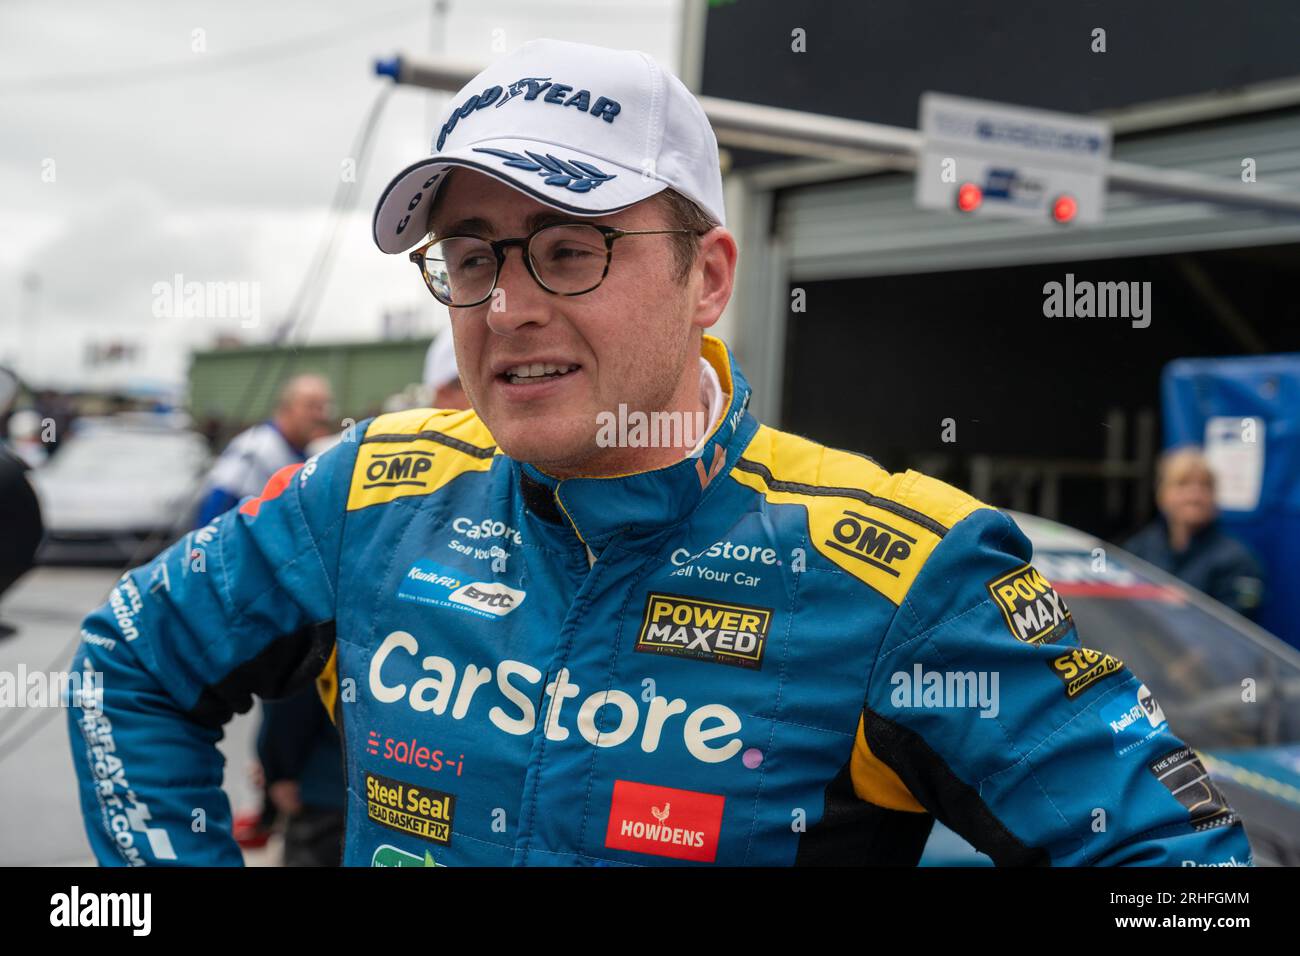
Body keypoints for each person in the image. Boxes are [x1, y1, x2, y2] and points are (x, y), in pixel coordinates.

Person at [68, 38, 1251, 867]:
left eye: (568, 247)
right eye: (471, 256)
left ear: (710, 277)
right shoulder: (367, 491)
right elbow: (128, 660)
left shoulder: (900, 569)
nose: (506, 306)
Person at [1126, 447, 1265, 619]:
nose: (1194, 495)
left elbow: (1239, 624)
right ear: (1162, 494)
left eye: (1204, 486)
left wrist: (1187, 607)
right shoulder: (1138, 549)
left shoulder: (1239, 561)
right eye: (1182, 484)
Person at [195, 373, 334, 526]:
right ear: (286, 408)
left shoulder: (306, 451)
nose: (321, 416)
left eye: (324, 407)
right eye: (311, 406)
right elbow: (214, 512)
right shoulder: (256, 448)